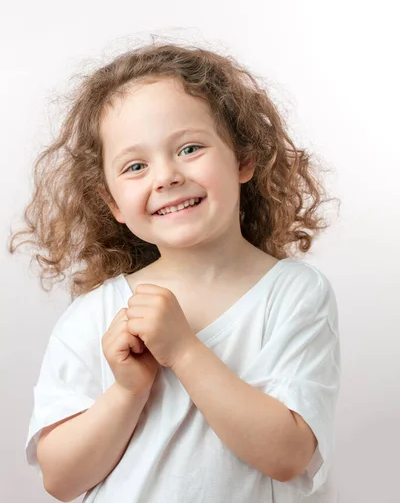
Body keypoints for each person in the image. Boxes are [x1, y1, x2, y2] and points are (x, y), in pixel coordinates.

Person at [9, 41, 341, 502]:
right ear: (112, 203)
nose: (165, 176)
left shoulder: (292, 294)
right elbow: (60, 480)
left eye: (189, 147)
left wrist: (185, 351)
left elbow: (287, 456)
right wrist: (127, 392)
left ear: (243, 159)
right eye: (136, 165)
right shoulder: (94, 315)